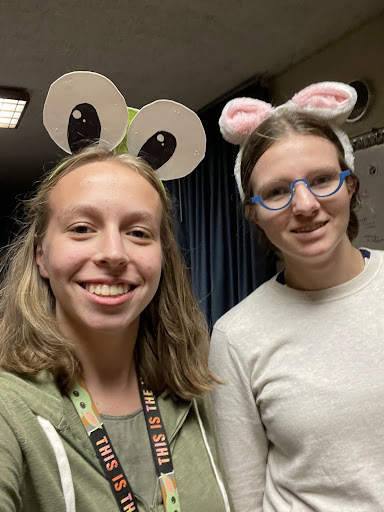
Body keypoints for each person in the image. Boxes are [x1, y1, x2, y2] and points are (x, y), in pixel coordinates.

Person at [0, 147, 231, 512]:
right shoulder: (8, 408)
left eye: (138, 232)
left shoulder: (199, 396)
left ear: (162, 258)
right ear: (41, 255)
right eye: (81, 228)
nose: (113, 253)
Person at [210, 83, 384, 512]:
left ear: (350, 186)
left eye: (322, 179)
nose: (304, 205)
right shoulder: (235, 337)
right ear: (253, 211)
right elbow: (244, 495)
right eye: (276, 191)